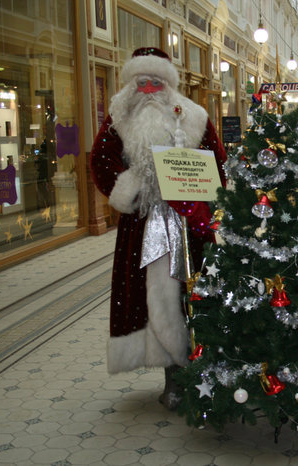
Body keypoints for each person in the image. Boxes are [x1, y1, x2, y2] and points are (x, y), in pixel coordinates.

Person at [90, 47, 227, 409]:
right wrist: (129, 187)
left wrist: (209, 195)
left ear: (169, 84)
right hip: (141, 224)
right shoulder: (119, 119)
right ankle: (172, 377)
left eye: (156, 82)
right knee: (148, 300)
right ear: (131, 84)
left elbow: (217, 162)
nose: (149, 89)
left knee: (193, 294)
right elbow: (100, 162)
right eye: (142, 82)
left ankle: (202, 372)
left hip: (189, 224)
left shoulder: (194, 117)